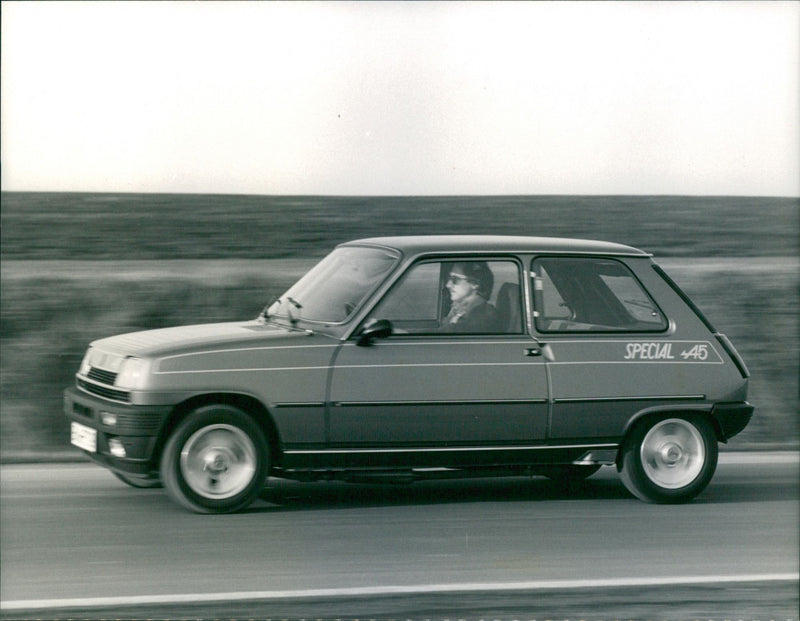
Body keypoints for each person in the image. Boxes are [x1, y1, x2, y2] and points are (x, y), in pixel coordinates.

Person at [440, 262, 501, 333]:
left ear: (475, 283)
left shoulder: (483, 317)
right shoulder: (461, 311)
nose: (448, 285)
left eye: (455, 280)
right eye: (449, 278)